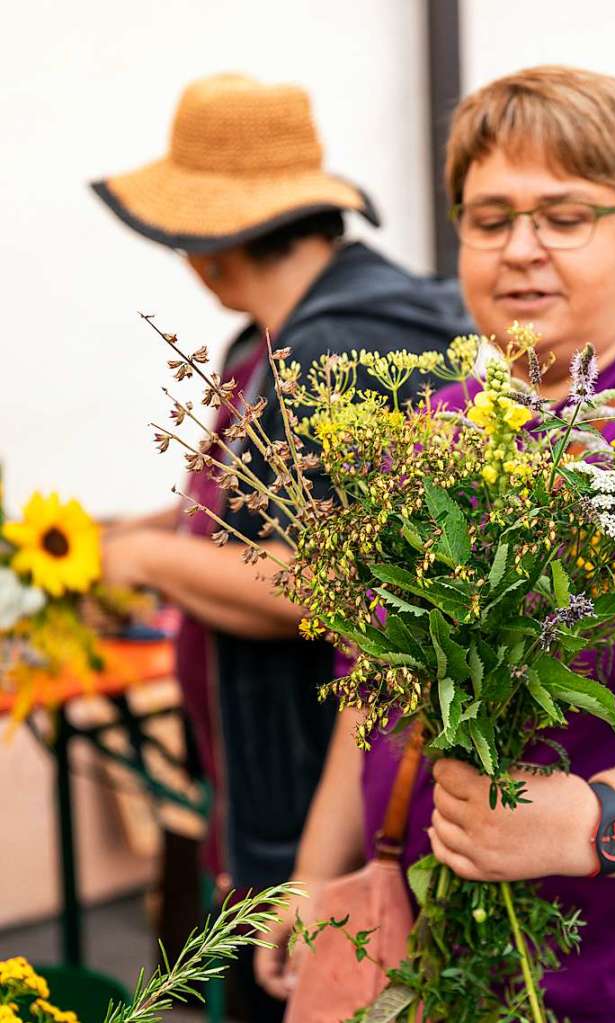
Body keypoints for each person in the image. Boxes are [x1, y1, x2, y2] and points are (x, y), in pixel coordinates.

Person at [257, 66, 615, 1022]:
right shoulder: (434, 430)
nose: (519, 250)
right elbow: (373, 689)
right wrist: (311, 874)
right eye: (488, 219)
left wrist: (590, 821)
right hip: (432, 971)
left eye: (564, 216)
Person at [91, 73, 470, 1020]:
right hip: (283, 790)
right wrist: (138, 531)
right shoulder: (275, 341)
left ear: (205, 247)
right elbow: (240, 524)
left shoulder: (335, 352)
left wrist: (142, 563)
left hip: (320, 807)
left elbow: (330, 583)